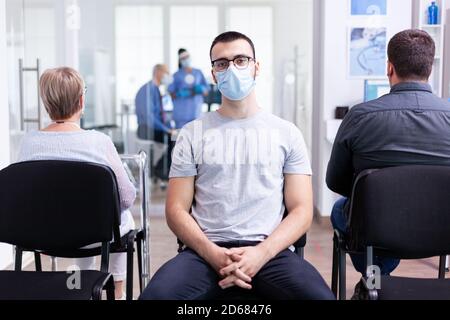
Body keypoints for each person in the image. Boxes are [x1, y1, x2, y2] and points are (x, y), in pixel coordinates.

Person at [139, 31, 334, 300]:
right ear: (213, 74)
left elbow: (301, 210)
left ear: (256, 67)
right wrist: (213, 254)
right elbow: (175, 209)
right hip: (204, 253)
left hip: (270, 252)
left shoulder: (287, 133)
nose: (232, 68)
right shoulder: (192, 133)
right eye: (222, 63)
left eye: (241, 60)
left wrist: (261, 254)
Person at [327, 29, 450, 295]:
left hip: (376, 230)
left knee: (341, 211)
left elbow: (335, 181)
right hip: (442, 228)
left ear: (389, 67)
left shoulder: (360, 116)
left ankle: (376, 281)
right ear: (430, 68)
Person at [18, 67, 136, 300]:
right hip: (95, 236)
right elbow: (126, 197)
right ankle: (117, 291)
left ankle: (82, 281)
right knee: (122, 218)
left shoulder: (28, 143)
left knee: (82, 215)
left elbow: (25, 196)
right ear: (82, 100)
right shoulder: (99, 142)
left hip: (45, 235)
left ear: (46, 103)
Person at [136, 64, 175, 180]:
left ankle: (160, 168)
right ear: (158, 72)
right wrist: (166, 130)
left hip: (155, 127)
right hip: (145, 128)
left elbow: (161, 114)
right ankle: (160, 170)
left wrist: (170, 127)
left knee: (176, 138)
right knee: (174, 139)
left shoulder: (157, 90)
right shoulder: (147, 90)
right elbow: (149, 118)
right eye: (166, 72)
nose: (168, 76)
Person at [169, 49, 210, 129]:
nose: (186, 59)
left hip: (196, 113)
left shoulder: (198, 72)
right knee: (180, 139)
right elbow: (171, 94)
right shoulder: (176, 75)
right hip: (181, 115)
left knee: (196, 139)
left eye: (187, 57)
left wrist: (200, 89)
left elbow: (206, 92)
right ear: (180, 60)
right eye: (183, 58)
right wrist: (180, 93)